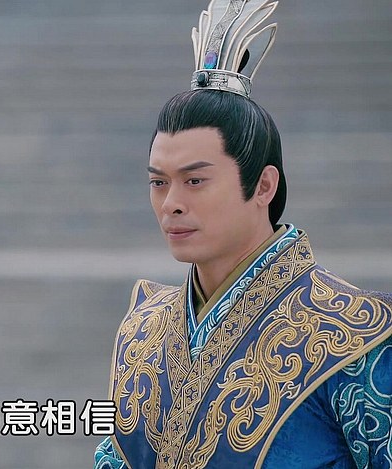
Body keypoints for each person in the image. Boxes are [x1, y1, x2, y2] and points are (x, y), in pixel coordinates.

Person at [94, 1, 392, 468]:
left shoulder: (357, 336)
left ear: (264, 185)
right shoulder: (142, 330)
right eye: (158, 182)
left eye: (195, 180)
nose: (171, 202)